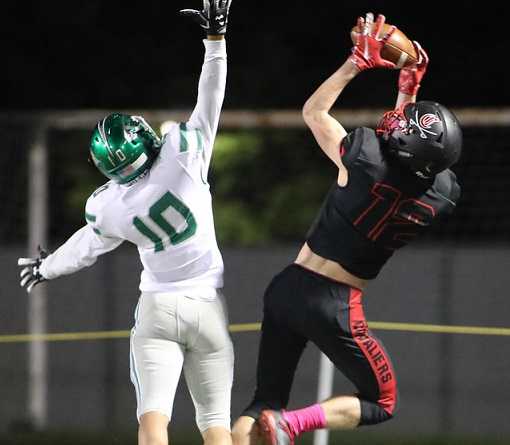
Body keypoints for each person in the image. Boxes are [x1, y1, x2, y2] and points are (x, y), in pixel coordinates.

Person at [231, 12, 462, 445]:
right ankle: (291, 425)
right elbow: (406, 159)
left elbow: (313, 111)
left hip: (289, 287)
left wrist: (356, 62)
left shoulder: (363, 159)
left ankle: (280, 423)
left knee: (264, 402)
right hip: (335, 303)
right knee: (382, 401)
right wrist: (407, 88)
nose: (395, 124)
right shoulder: (437, 195)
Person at [18, 1, 234, 444]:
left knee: (153, 420)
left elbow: (85, 247)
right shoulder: (182, 158)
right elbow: (210, 98)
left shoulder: (109, 206)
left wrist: (45, 267)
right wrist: (215, 42)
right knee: (215, 425)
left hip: (157, 309)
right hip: (206, 305)